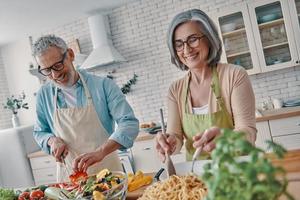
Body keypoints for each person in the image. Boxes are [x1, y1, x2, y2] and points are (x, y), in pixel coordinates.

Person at [32, 35, 139, 182]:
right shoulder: (44, 95)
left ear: (70, 55)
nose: (55, 75)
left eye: (57, 66)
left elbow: (129, 123)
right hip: (70, 179)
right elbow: (40, 132)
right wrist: (52, 141)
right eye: (47, 70)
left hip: (108, 174)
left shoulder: (103, 86)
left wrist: (101, 152)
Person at [156, 9, 257, 161]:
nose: (186, 49)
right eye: (179, 44)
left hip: (237, 171)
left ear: (209, 39)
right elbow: (176, 139)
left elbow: (248, 132)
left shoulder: (234, 75)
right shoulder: (175, 90)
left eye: (193, 39)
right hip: (195, 179)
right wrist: (168, 144)